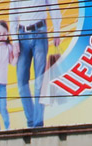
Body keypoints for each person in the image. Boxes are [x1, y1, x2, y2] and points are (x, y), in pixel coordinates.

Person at [9, 0, 61, 128]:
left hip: (40, 33)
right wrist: (15, 41)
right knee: (21, 83)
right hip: (22, 36)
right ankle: (31, 121)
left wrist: (57, 32)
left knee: (39, 82)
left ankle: (37, 125)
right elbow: (13, 14)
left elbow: (53, 6)